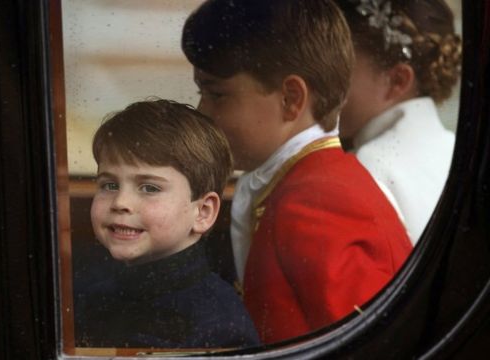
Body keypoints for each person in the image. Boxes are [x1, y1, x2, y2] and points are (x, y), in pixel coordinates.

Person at [181, 0, 413, 343]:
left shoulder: (318, 203)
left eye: (217, 94)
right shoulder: (301, 184)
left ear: (291, 98)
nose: (202, 112)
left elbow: (365, 346)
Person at [74, 99, 260, 349]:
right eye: (109, 185)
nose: (121, 202)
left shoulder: (217, 323)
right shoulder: (90, 297)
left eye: (149, 188)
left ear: (202, 212)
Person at [335, 0, 462, 244]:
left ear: (397, 81)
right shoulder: (454, 148)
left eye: (341, 68)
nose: (325, 85)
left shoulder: (365, 170)